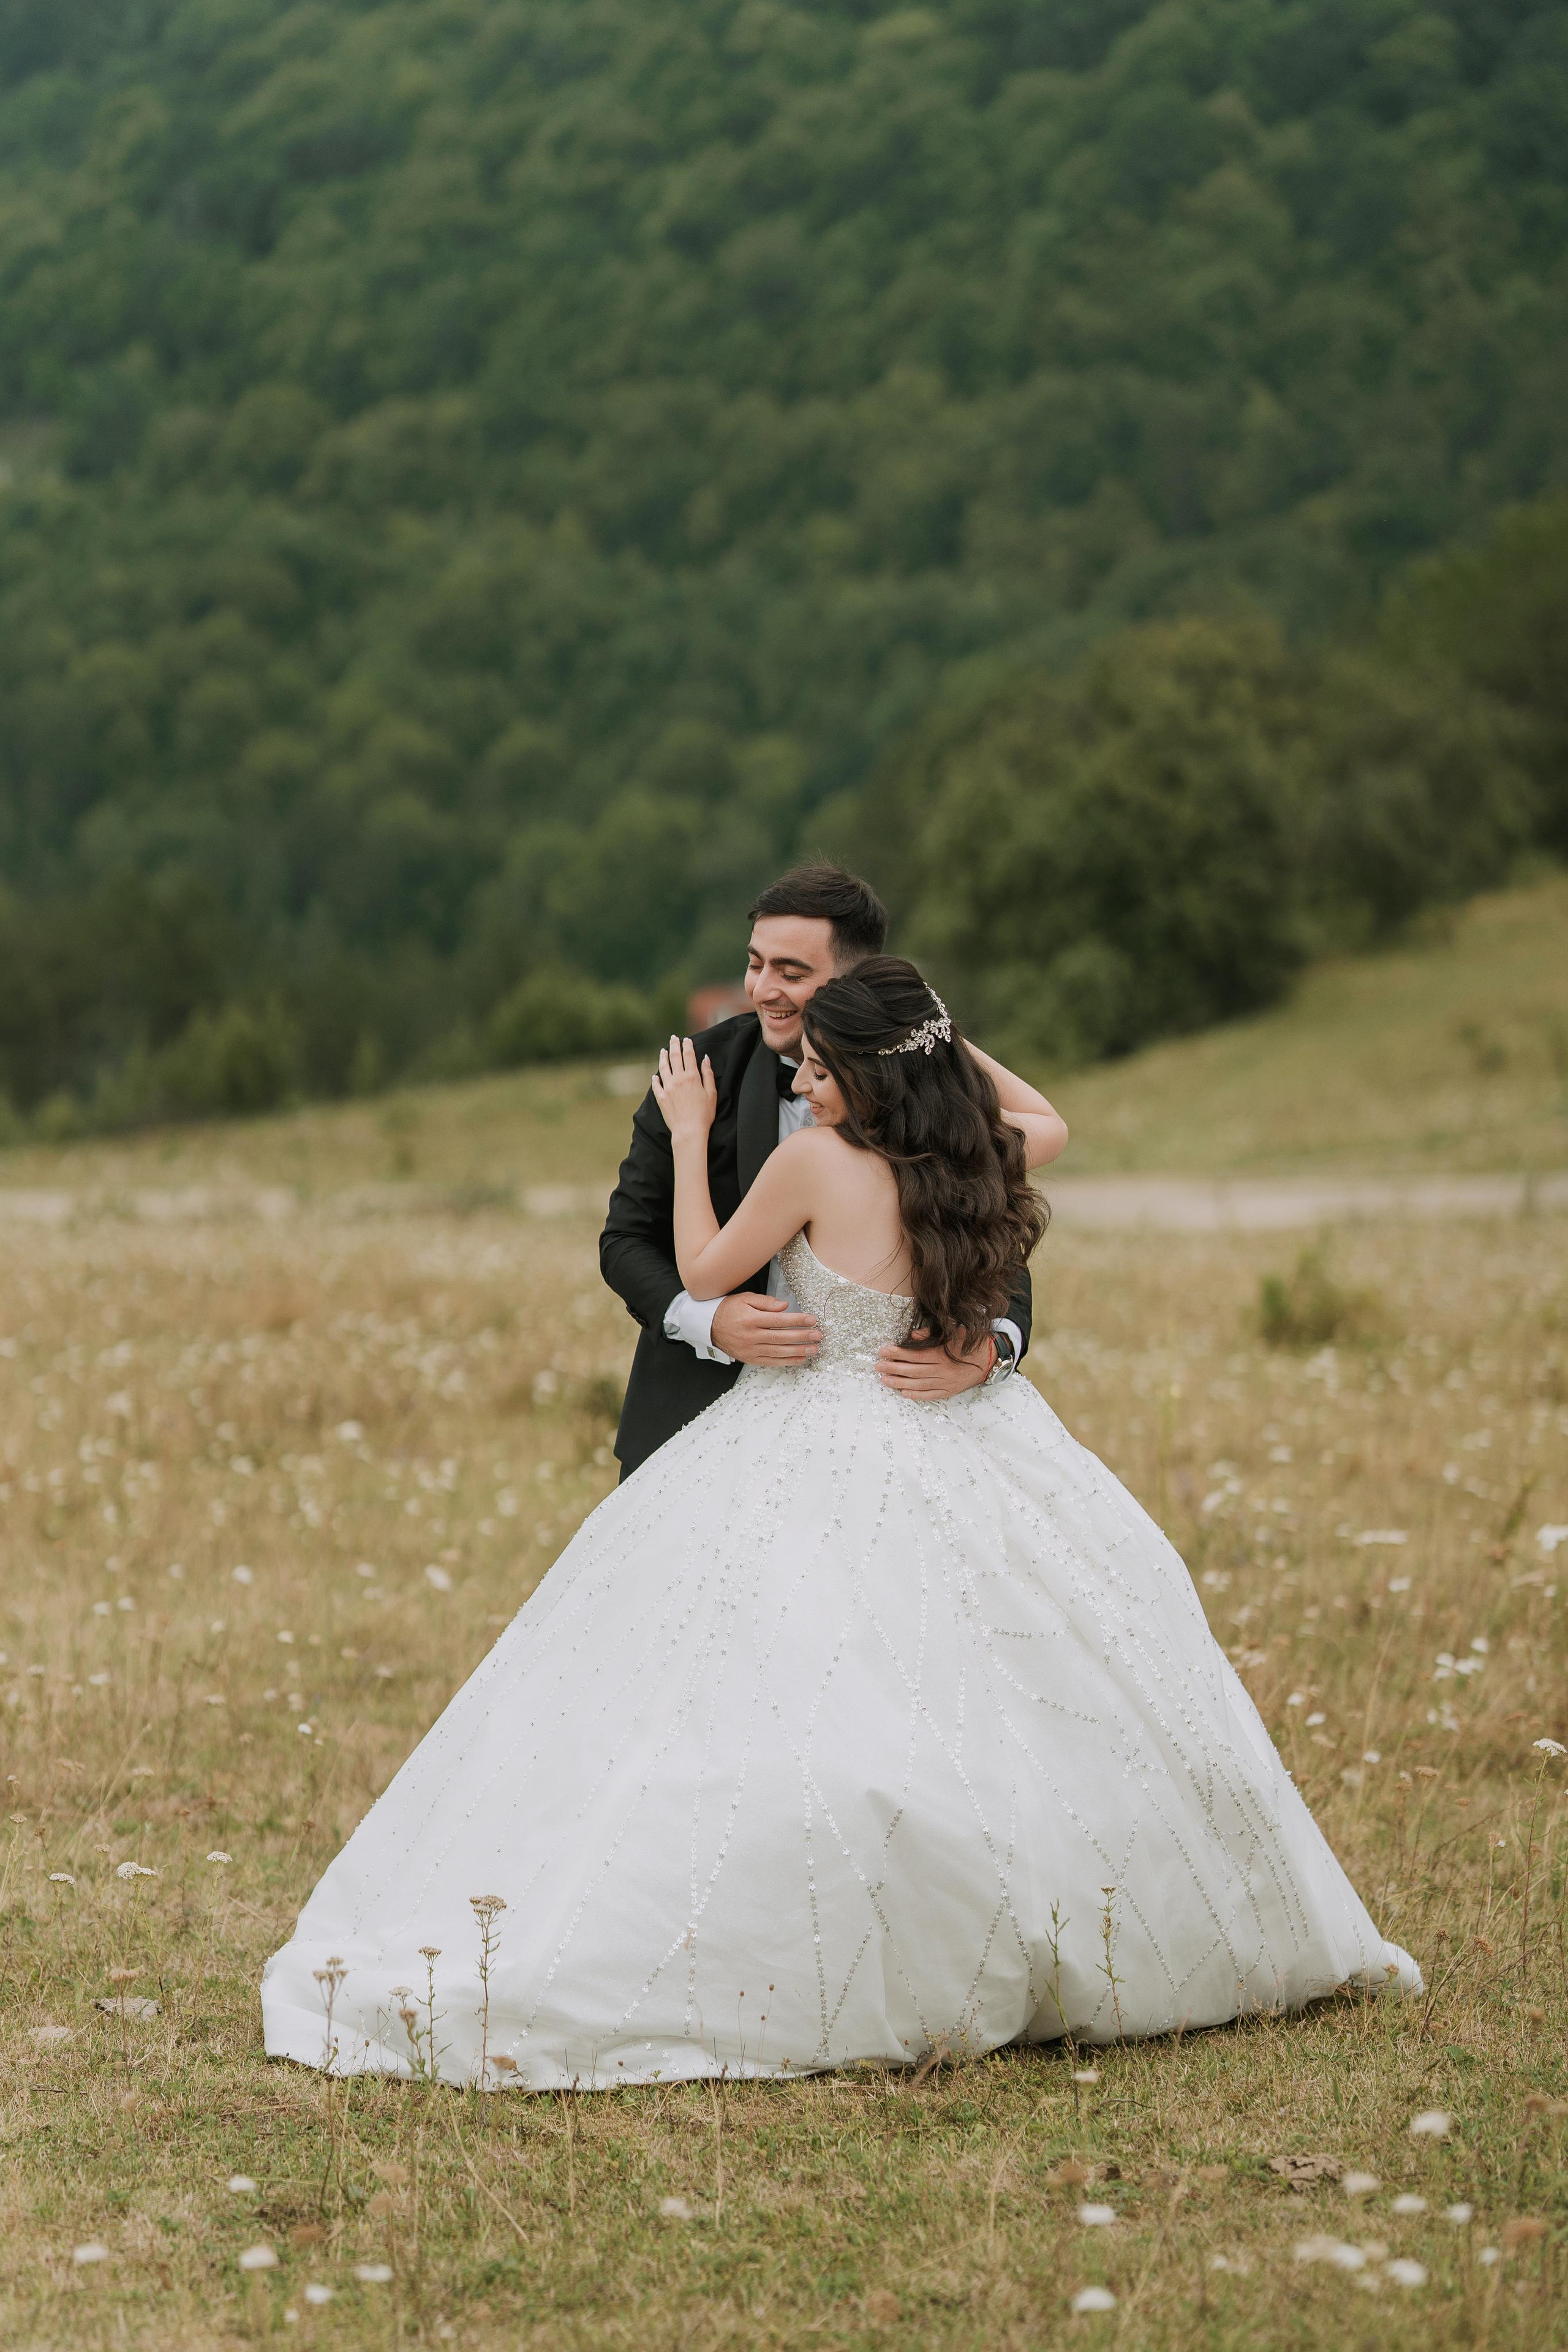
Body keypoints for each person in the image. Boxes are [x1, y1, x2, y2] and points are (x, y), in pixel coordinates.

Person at [261, 956, 1418, 2090]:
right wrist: (929, 1034)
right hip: (961, 1438)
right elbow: (1045, 1114)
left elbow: (707, 1264)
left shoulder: (813, 1163)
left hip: (808, 1432)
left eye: (820, 1066)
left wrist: (684, 1127)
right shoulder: (975, 1150)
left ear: (862, 1073)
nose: (804, 1083)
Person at [600, 862, 1038, 1477]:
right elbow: (624, 1240)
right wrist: (709, 1321)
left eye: (792, 972)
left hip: (898, 1439)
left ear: (855, 982)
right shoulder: (696, 1074)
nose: (762, 990)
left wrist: (992, 1350)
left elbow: (984, 1237)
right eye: (756, 964)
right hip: (698, 1426)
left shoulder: (932, 1107)